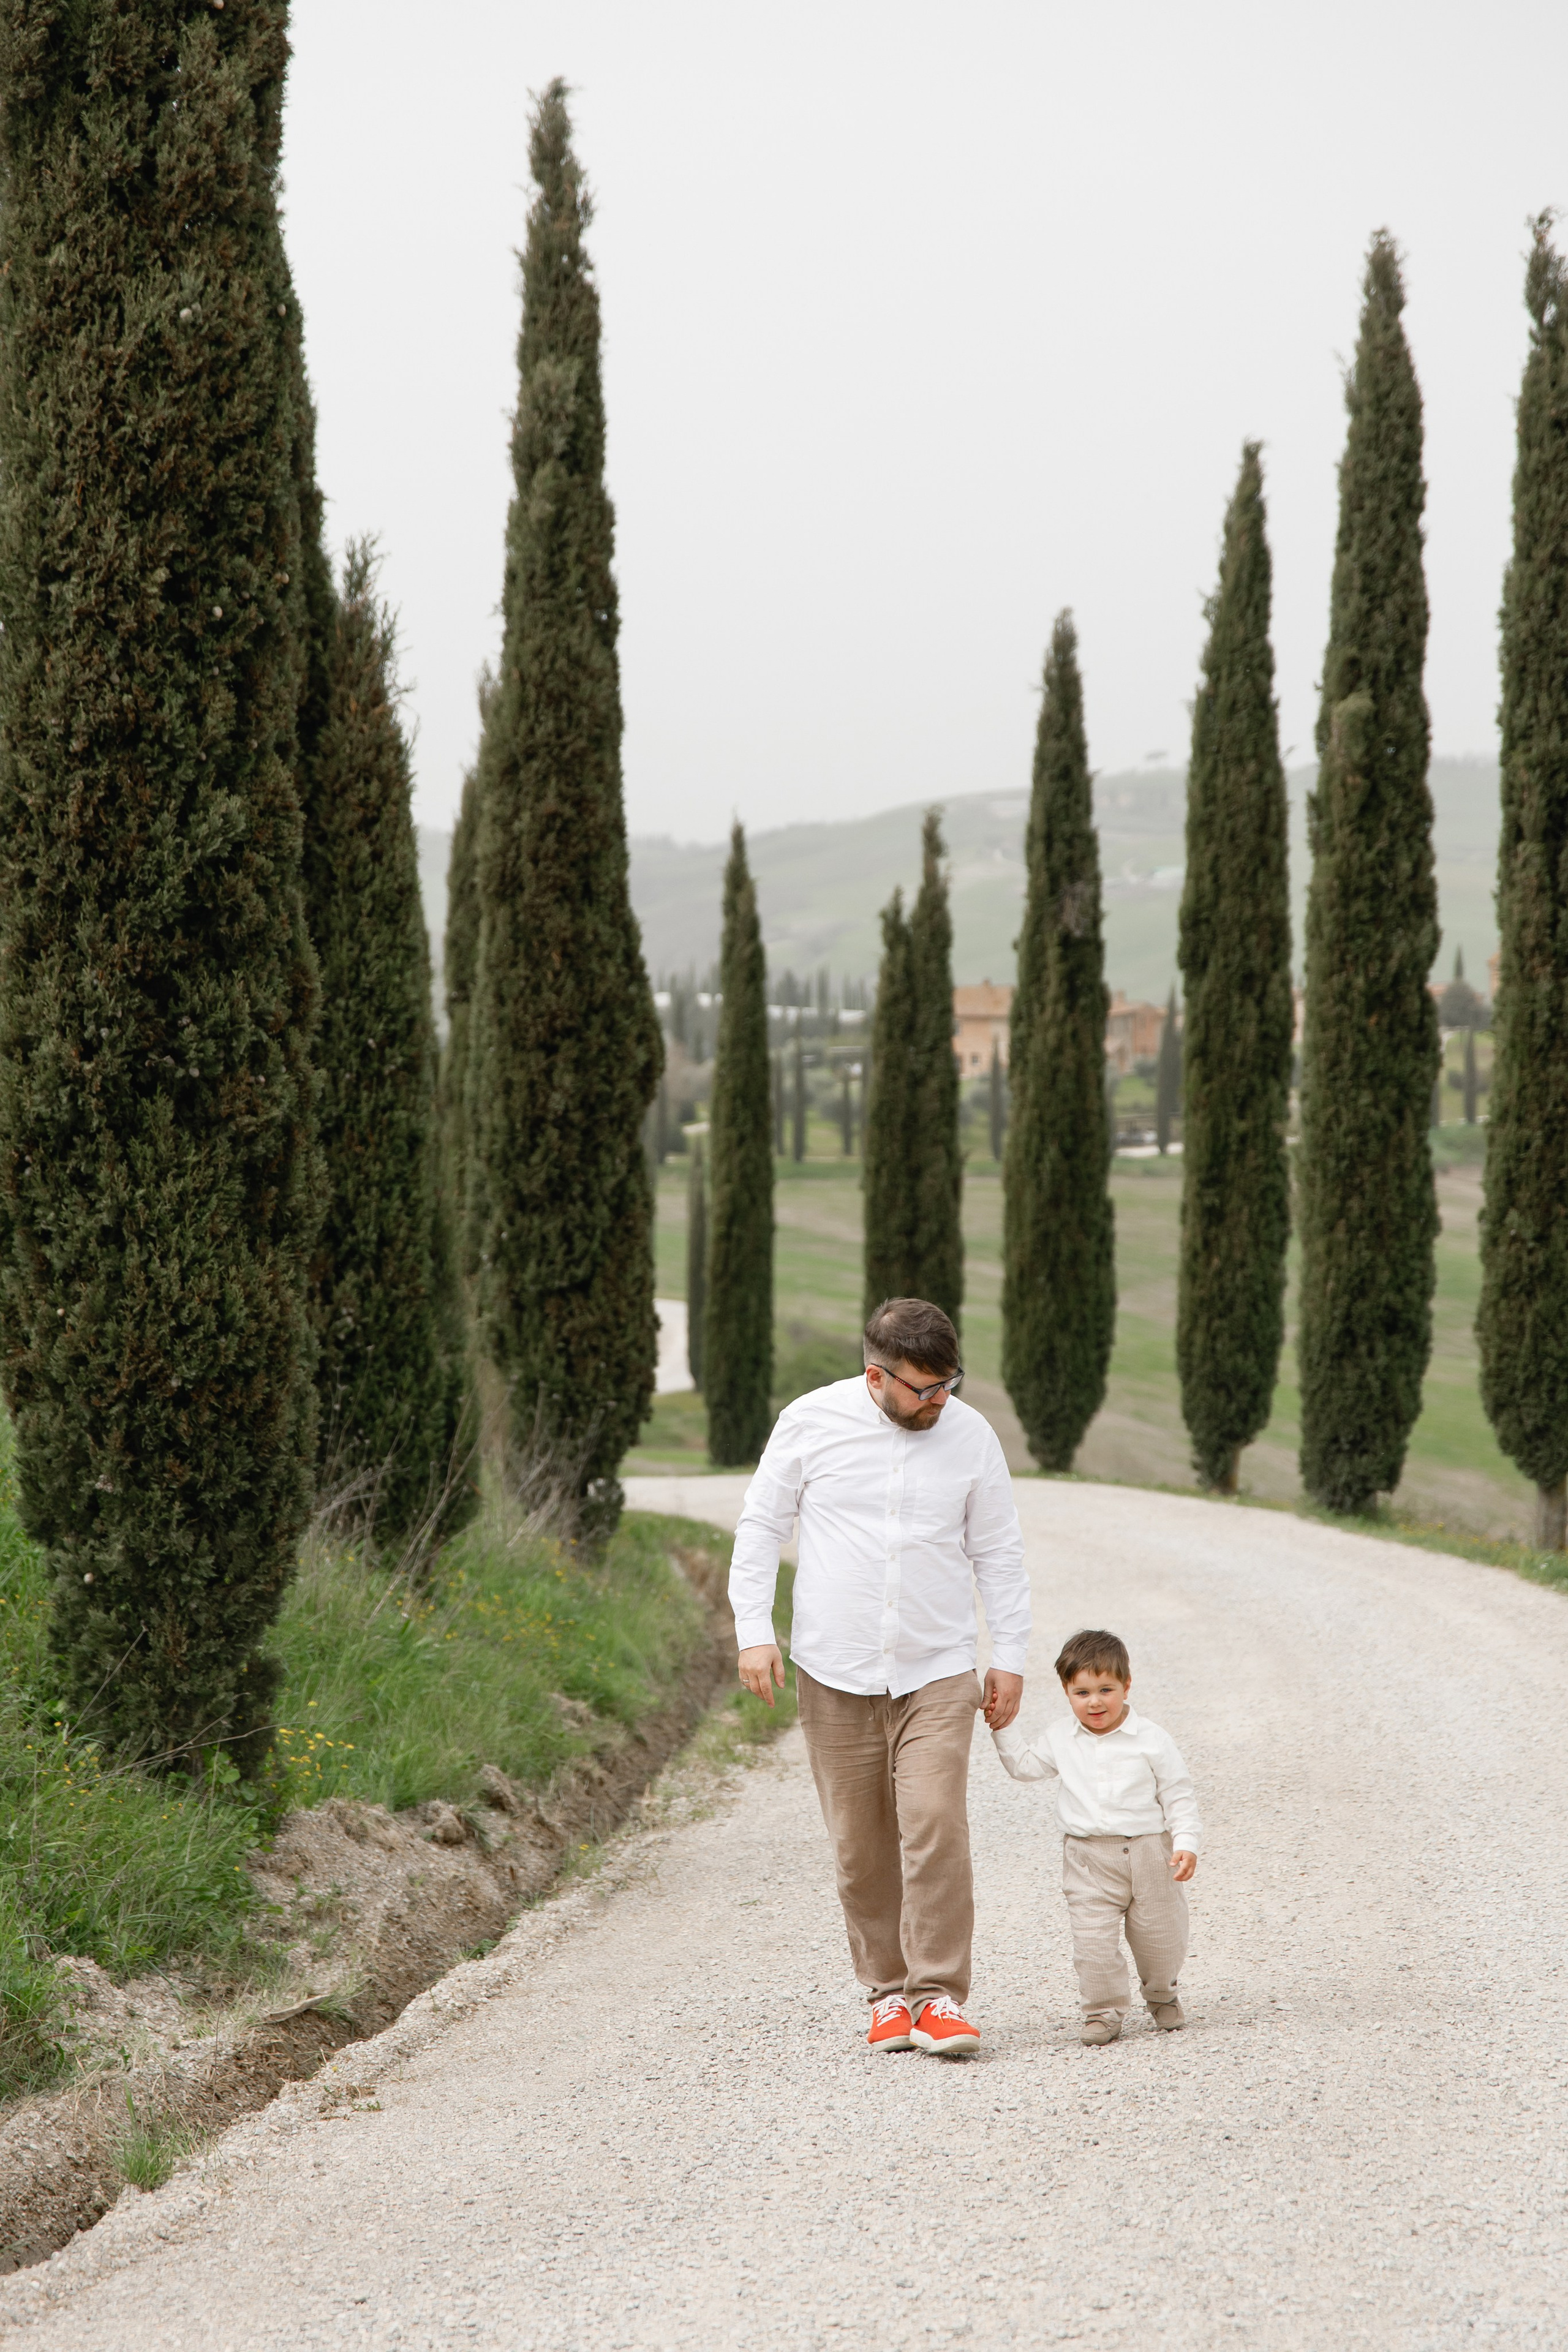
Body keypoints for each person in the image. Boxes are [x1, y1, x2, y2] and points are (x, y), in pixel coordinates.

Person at [729, 1296, 1030, 2059]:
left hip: (937, 1668)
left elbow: (998, 1550)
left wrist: (1011, 1656)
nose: (939, 1402)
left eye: (948, 1385)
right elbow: (762, 1525)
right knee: (860, 1849)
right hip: (833, 1671)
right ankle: (887, 1994)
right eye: (922, 1389)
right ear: (875, 1376)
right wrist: (754, 1633)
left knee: (933, 1823)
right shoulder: (809, 1422)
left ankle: (938, 1998)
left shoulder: (971, 1436)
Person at [992, 1627, 1200, 2045]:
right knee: (1092, 1943)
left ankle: (1161, 1992)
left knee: (1161, 1937)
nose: (1095, 1702)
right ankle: (1103, 2011)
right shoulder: (1059, 1738)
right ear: (1067, 1693)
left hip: (1149, 1853)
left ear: (1126, 1685)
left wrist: (1186, 1843)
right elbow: (1024, 1766)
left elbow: (1178, 1794)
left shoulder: (1152, 1740)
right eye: (1082, 1692)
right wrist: (1002, 1724)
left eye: (1106, 1689)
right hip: (1087, 1858)